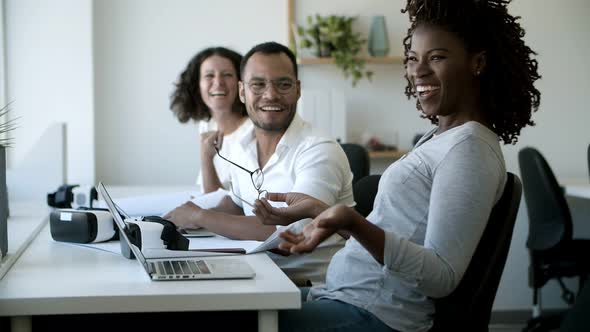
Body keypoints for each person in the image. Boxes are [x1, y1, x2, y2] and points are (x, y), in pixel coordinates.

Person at [252, 0, 541, 331]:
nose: (419, 70)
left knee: (223, 317)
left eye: (437, 57)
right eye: (413, 59)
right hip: (347, 299)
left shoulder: (469, 150)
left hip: (373, 315)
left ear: (477, 62)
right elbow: (401, 231)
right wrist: (319, 210)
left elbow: (441, 276)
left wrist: (352, 222)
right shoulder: (441, 138)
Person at [164, 42, 354, 286]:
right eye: (258, 84)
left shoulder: (319, 150)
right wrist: (177, 216)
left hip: (312, 289)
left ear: (297, 90)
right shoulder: (241, 146)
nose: (271, 94)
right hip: (255, 277)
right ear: (242, 92)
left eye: (283, 84)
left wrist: (201, 216)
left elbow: (291, 231)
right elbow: (236, 201)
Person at [170, 47, 252, 193]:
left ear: (241, 83)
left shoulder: (253, 130)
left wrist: (206, 157)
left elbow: (220, 202)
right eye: (209, 75)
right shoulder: (206, 125)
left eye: (227, 75)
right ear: (197, 86)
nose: (218, 82)